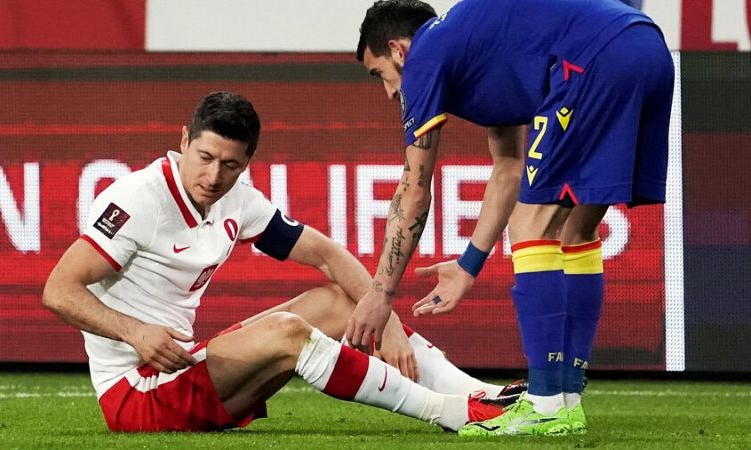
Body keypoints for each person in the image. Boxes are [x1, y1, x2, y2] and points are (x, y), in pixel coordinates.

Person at [42, 91, 523, 433]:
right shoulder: (137, 200)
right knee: (290, 332)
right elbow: (59, 290)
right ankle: (450, 413)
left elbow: (329, 256)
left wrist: (389, 323)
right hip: (137, 393)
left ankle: (481, 394)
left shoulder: (237, 199)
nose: (213, 176)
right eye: (204, 156)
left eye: (230, 165)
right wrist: (135, 332)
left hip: (186, 368)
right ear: (184, 140)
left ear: (247, 162)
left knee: (338, 303)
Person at [346, 0, 673, 437]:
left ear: (397, 50)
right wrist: (468, 266)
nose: (389, 92)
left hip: (591, 59)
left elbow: (414, 189)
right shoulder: (477, 49)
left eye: (380, 75)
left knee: (531, 222)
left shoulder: (424, 55)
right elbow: (509, 168)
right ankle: (566, 399)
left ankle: (544, 405)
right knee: (575, 230)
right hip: (647, 48)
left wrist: (380, 294)